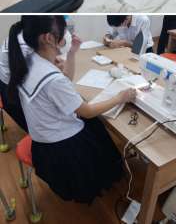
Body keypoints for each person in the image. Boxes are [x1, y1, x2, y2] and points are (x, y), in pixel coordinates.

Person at [7, 16, 137, 203]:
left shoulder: (30, 60)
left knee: (95, 126)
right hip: (62, 149)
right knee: (96, 125)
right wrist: (120, 97)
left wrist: (72, 53)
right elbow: (86, 111)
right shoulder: (51, 77)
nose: (68, 34)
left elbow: (65, 82)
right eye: (64, 30)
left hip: (44, 144)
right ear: (48, 38)